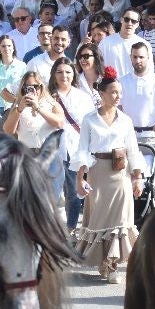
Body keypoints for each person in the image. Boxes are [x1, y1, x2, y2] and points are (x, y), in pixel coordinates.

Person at [75, 66, 146, 283]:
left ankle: (113, 264)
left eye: (119, 93)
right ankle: (103, 262)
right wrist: (80, 178)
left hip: (121, 173)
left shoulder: (125, 120)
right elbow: (82, 151)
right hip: (97, 173)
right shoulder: (89, 119)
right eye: (113, 92)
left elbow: (133, 150)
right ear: (102, 93)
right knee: (99, 219)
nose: (117, 96)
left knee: (120, 220)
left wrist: (137, 177)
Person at [47, 56, 95, 233]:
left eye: (67, 72)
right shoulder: (47, 96)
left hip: (76, 148)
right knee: (51, 193)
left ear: (73, 74)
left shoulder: (83, 97)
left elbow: (90, 123)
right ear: (53, 75)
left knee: (73, 194)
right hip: (52, 149)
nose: (63, 76)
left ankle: (71, 228)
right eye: (59, 72)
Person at [0, 70, 65, 150]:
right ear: (22, 88)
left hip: (49, 153)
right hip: (27, 153)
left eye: (35, 87)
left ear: (41, 87)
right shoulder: (18, 106)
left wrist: (38, 108)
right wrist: (19, 109)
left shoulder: (52, 103)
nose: (32, 90)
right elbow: (8, 131)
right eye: (27, 87)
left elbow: (60, 123)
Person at [98, 8, 141, 78]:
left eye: (133, 21)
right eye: (127, 19)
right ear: (121, 19)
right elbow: (99, 67)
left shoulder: (143, 44)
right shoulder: (105, 43)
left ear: (137, 24)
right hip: (111, 87)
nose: (129, 23)